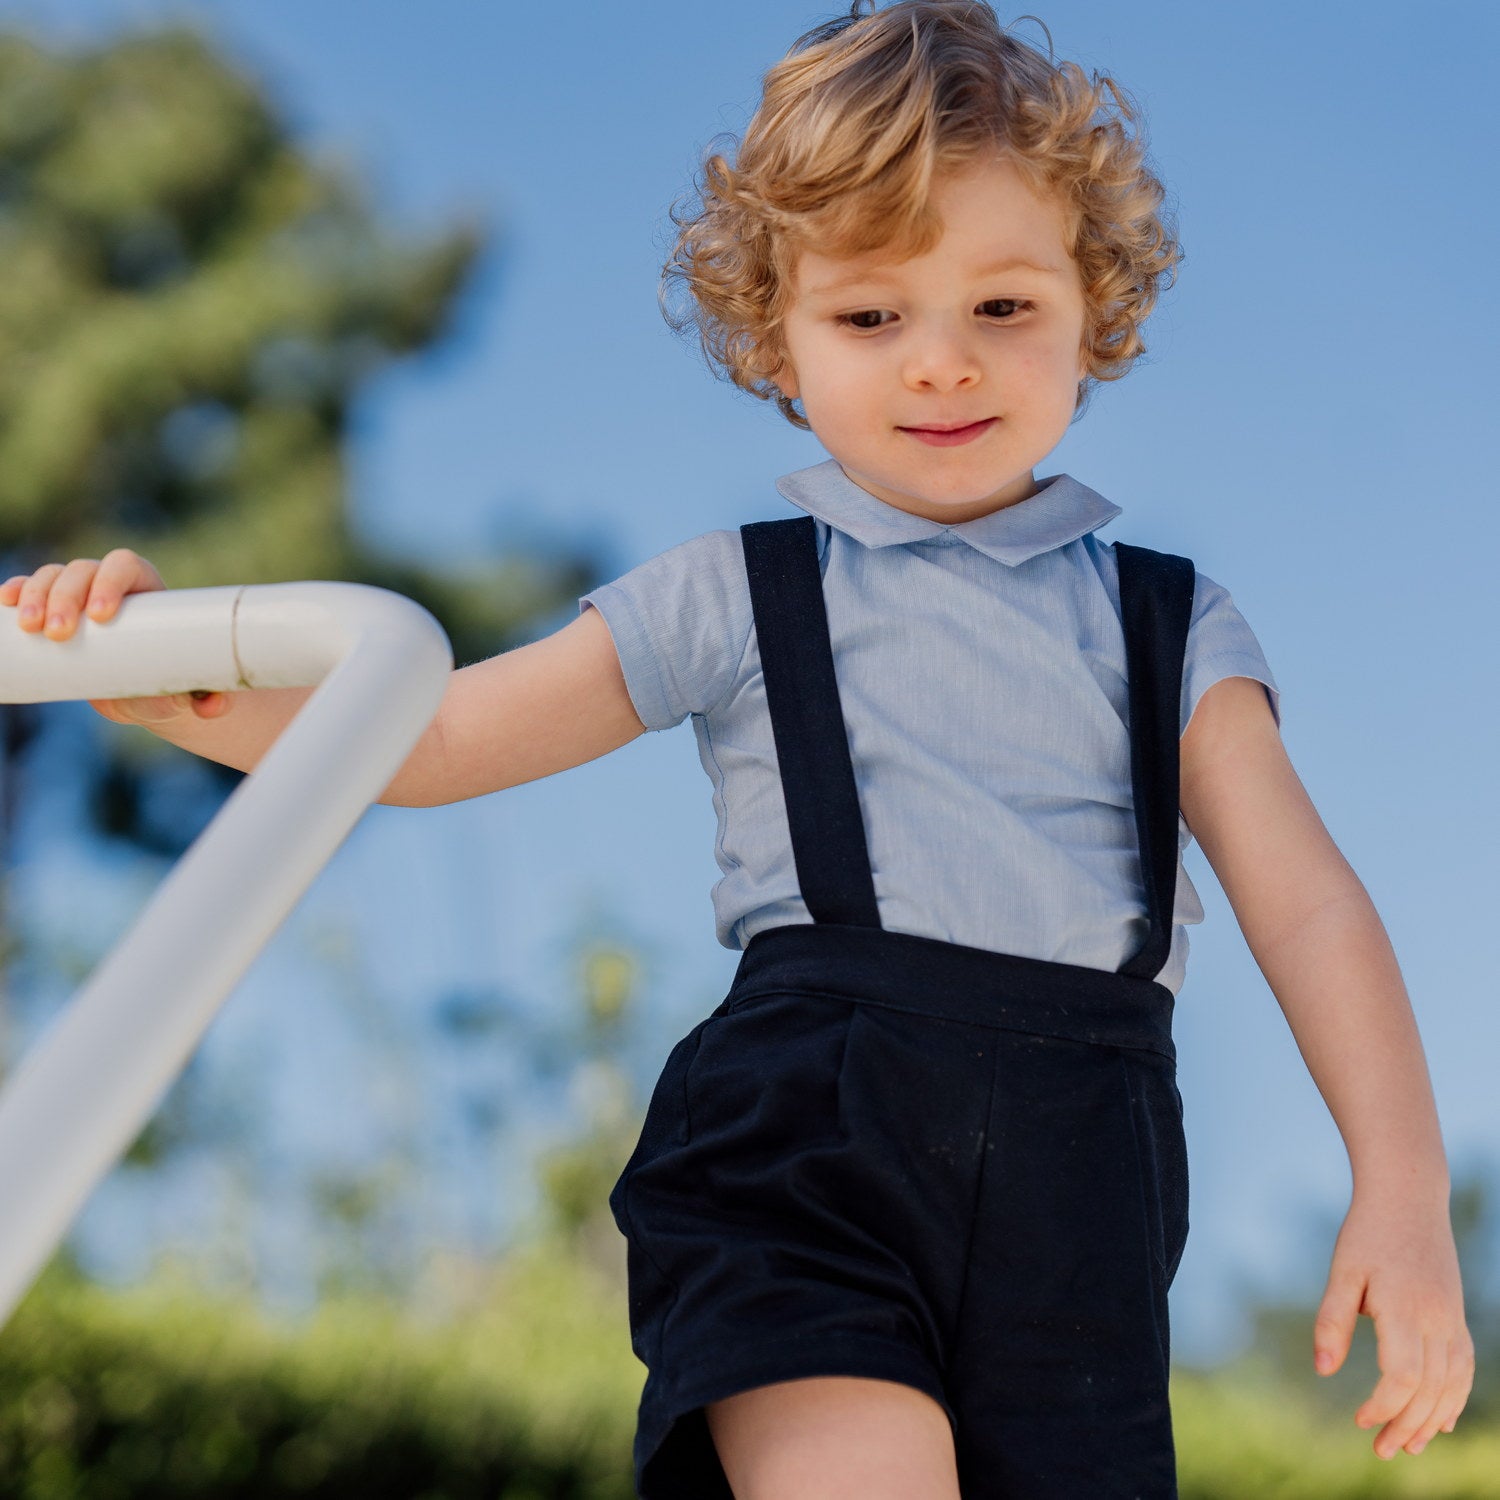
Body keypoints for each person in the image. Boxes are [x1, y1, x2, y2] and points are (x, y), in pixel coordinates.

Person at [3, 2, 1473, 1495]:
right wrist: (177, 677)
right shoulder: (734, 593)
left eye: (1004, 309)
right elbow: (424, 739)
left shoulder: (1174, 626)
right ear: (778, 335)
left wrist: (1404, 1190)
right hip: (809, 1155)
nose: (942, 366)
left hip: (1081, 1193)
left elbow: (1308, 901)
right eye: (872, 316)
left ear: (1095, 305)